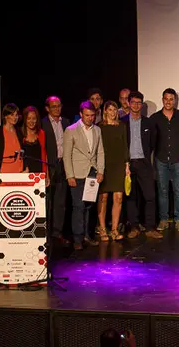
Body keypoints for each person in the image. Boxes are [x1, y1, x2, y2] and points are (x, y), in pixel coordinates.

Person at [63, 101, 105, 250]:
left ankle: (87, 235)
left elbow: (100, 151)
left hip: (91, 172)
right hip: (77, 173)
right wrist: (70, 176)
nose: (90, 118)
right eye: (87, 115)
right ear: (81, 114)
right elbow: (66, 155)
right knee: (78, 206)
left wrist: (100, 171)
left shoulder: (97, 130)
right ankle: (77, 238)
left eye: (93, 115)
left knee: (88, 206)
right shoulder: (71, 130)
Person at [122, 91, 163, 240]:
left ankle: (150, 227)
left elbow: (153, 143)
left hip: (144, 163)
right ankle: (134, 227)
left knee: (150, 196)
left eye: (139, 103)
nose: (136, 105)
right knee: (131, 196)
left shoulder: (148, 123)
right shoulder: (122, 122)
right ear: (128, 103)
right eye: (133, 102)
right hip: (128, 164)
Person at [150, 88, 179, 232]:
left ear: (175, 101)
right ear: (162, 99)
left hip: (177, 159)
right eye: (166, 99)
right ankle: (164, 219)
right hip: (161, 159)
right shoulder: (155, 118)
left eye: (171, 99)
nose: (168, 101)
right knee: (163, 191)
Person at [98, 101, 129, 241]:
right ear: (105, 111)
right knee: (103, 197)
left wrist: (127, 165)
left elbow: (125, 146)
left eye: (114, 109)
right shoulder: (100, 127)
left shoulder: (121, 126)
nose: (112, 112)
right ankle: (102, 228)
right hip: (104, 165)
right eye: (109, 109)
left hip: (118, 165)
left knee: (118, 197)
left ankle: (114, 229)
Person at [42, 96, 71, 244]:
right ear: (47, 108)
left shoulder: (66, 122)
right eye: (53, 106)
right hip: (48, 165)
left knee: (61, 201)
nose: (57, 109)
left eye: (59, 106)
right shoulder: (42, 123)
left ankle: (57, 233)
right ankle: (45, 233)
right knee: (47, 201)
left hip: (63, 164)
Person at [0, 103, 24, 186]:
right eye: (12, 115)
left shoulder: (19, 132)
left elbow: (24, 152)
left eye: (16, 115)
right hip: (1, 175)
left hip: (18, 175)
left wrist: (25, 169)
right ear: (6, 116)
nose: (15, 117)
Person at [19, 106, 49, 180]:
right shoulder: (19, 133)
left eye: (34, 118)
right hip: (24, 173)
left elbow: (45, 156)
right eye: (28, 118)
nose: (31, 121)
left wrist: (46, 175)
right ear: (25, 119)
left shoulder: (41, 133)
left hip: (38, 174)